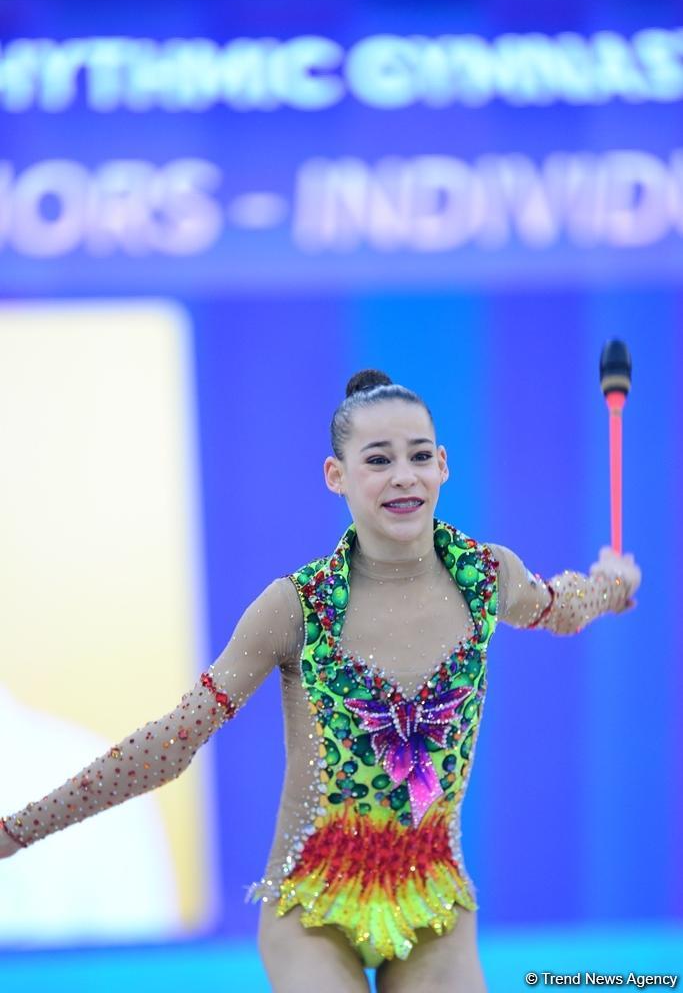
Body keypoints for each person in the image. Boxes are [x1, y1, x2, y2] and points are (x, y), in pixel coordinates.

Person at [1, 368, 641, 993]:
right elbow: (173, 741)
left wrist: (613, 583)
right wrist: (18, 830)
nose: (403, 476)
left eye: (419, 456)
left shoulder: (485, 576)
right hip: (310, 905)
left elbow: (559, 605)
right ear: (336, 476)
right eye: (378, 459)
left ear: (443, 465)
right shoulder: (295, 607)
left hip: (434, 899)